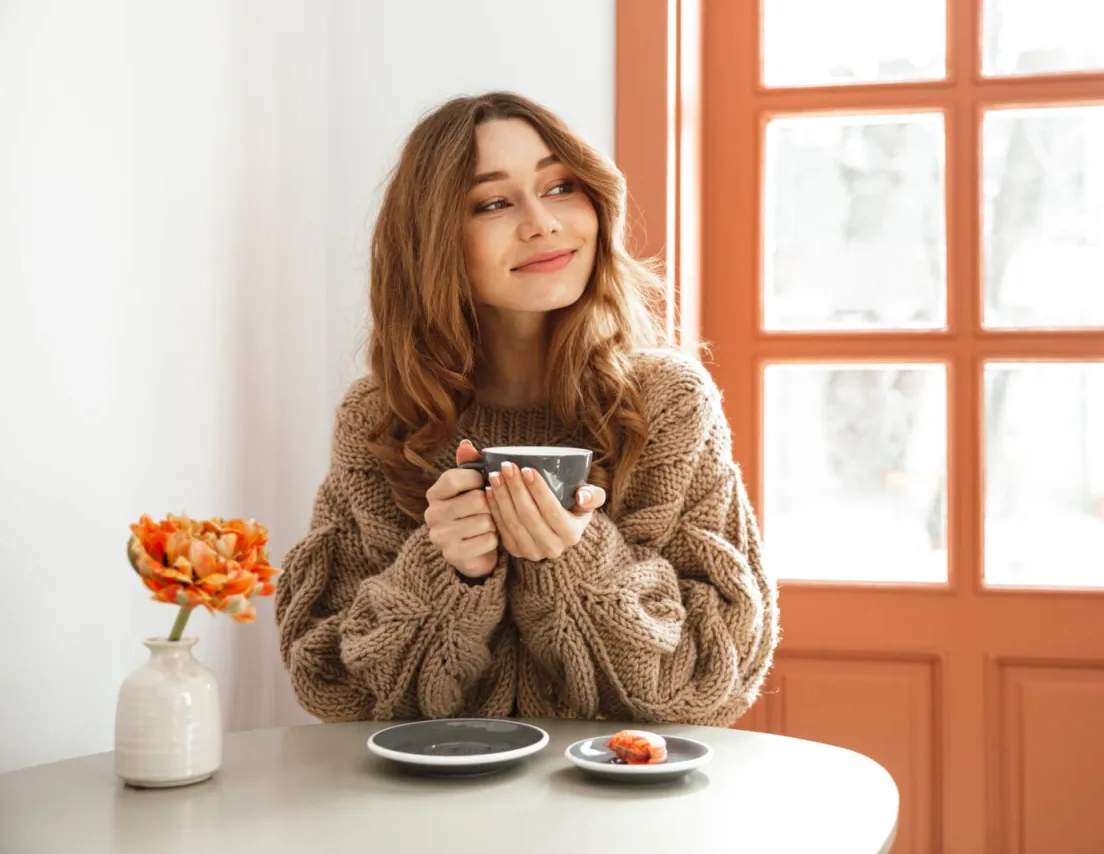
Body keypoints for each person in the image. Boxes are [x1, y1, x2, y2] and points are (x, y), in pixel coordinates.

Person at [275, 91, 779, 727]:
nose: (542, 223)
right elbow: (333, 686)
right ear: (433, 242)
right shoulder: (381, 418)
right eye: (493, 203)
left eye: (560, 187)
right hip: (432, 790)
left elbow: (715, 682)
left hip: (607, 790)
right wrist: (446, 570)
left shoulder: (669, 403)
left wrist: (578, 563)